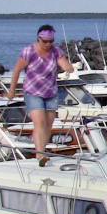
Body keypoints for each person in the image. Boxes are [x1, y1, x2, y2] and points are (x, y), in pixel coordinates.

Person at [8, 25, 74, 167]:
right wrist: (12, 90)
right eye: (45, 41)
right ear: (39, 38)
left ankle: (42, 150)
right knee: (40, 123)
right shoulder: (29, 51)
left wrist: (68, 67)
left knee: (48, 125)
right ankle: (40, 154)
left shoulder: (56, 51)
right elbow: (17, 70)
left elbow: (65, 65)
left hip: (50, 92)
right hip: (32, 92)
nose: (48, 44)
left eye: (51, 41)